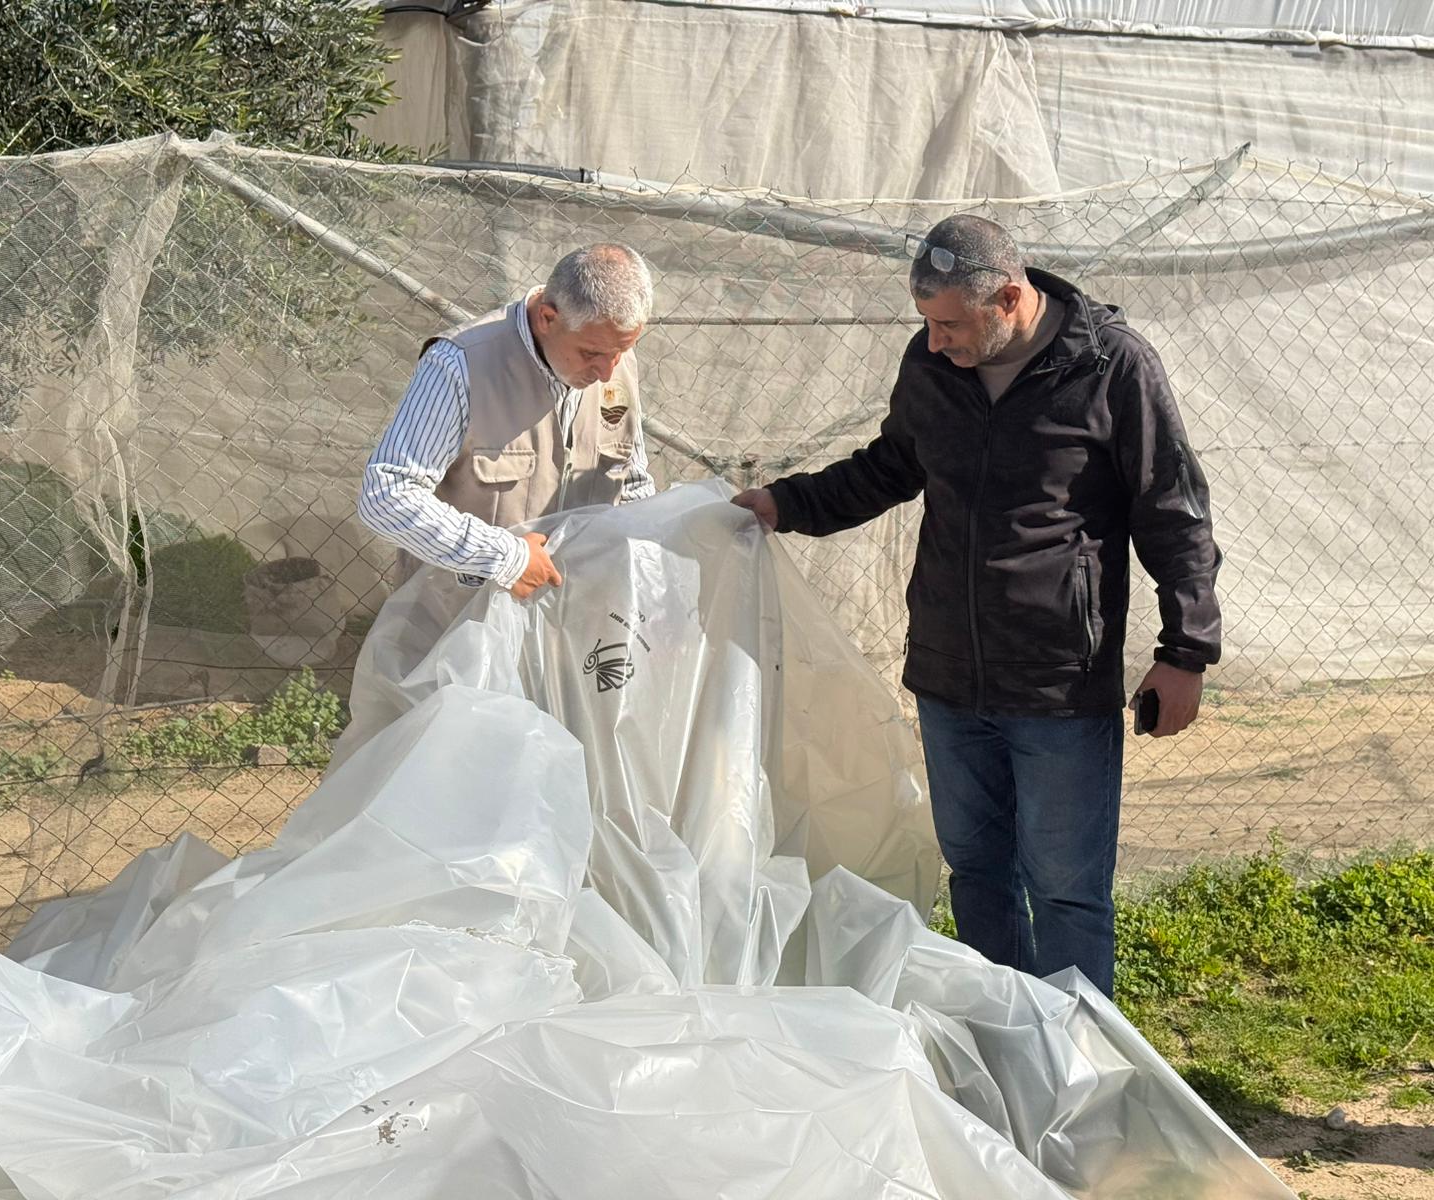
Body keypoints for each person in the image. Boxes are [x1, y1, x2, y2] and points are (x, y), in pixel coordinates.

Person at [732, 215, 1221, 997]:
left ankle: (1075, 1066)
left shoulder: (1110, 366)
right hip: (948, 678)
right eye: (926, 323)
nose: (935, 342)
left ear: (1009, 297)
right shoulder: (933, 367)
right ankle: (999, 1049)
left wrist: (1186, 649)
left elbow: (1173, 508)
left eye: (951, 324)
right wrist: (783, 505)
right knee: (978, 876)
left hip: (1059, 683)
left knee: (1064, 889)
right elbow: (892, 466)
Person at [358, 243, 657, 597]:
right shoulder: (460, 365)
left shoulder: (612, 354)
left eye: (621, 352)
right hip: (458, 625)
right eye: (591, 353)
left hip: (568, 625)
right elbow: (386, 496)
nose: (608, 373)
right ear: (547, 318)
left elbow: (633, 486)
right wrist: (505, 558)